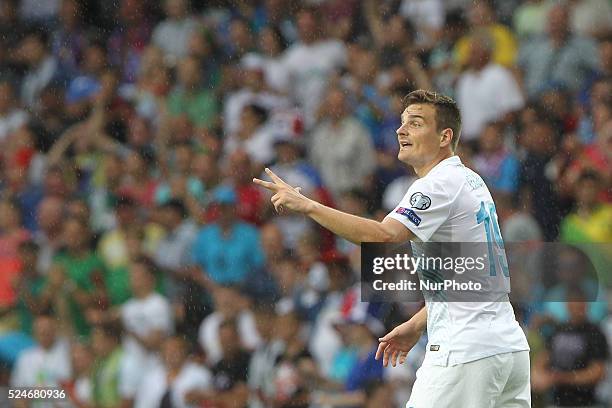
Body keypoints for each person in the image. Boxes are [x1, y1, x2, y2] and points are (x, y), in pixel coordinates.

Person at [254, 89, 530, 407]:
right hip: (507, 349)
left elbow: (384, 236)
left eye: (415, 123)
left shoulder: (437, 185)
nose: (401, 130)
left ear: (445, 136)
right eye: (402, 123)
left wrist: (308, 206)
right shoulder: (471, 181)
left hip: (466, 352)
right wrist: (416, 324)